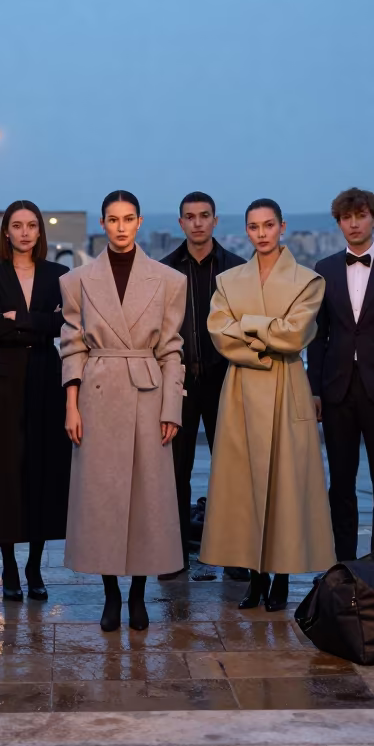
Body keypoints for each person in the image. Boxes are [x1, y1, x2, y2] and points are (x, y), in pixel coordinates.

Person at [199, 198, 336, 612]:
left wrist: (248, 326)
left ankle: (280, 578)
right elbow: (220, 335)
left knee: (285, 483)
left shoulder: (308, 280)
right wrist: (266, 334)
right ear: (246, 231)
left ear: (282, 227)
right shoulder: (229, 280)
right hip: (241, 387)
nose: (262, 233)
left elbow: (295, 337)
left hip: (285, 386)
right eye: (254, 227)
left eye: (269, 225)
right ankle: (254, 577)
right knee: (243, 487)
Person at [60, 190, 187, 632]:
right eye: (112, 219)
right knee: (103, 500)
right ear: (102, 222)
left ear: (139, 222)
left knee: (146, 501)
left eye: (128, 218)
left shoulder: (169, 280)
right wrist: (71, 406)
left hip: (149, 395)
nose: (119, 226)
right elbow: (72, 345)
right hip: (97, 395)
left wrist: (172, 407)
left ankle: (138, 595)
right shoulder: (77, 279)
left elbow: (172, 349)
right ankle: (111, 594)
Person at [0, 200, 72, 602]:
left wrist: (20, 319)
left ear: (39, 232)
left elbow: (64, 322)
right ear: (6, 232)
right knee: (4, 473)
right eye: (17, 225)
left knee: (42, 472)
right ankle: (10, 565)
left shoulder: (60, 275)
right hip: (4, 382)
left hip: (49, 377)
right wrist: (36, 321)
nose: (25, 232)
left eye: (32, 225)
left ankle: (34, 566)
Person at [307, 188, 374, 562]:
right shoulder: (325, 269)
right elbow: (318, 336)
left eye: (360, 216)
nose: (353, 223)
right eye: (346, 218)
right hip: (338, 390)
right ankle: (343, 565)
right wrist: (314, 389)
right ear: (339, 223)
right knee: (341, 485)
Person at [158, 191, 245, 580]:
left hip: (225, 379)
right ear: (181, 223)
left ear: (215, 220)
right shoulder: (164, 271)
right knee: (175, 469)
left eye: (204, 216)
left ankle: (236, 554)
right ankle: (173, 555)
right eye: (189, 217)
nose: (197, 222)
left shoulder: (236, 269)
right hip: (179, 380)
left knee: (231, 469)